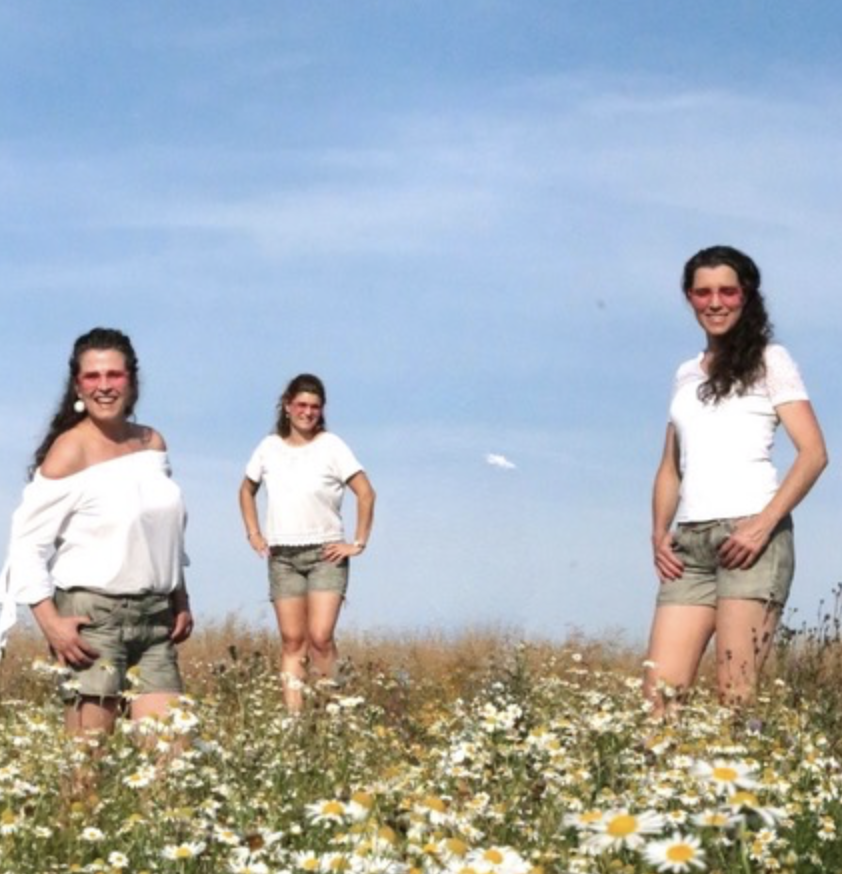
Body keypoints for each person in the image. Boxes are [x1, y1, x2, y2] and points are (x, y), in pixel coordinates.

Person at [644, 246, 828, 712]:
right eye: (702, 292)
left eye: (727, 291)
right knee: (658, 699)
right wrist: (659, 533)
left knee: (736, 696)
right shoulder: (686, 373)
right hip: (689, 548)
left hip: (752, 542)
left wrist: (762, 525)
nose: (715, 302)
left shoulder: (771, 360)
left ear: (746, 295)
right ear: (689, 298)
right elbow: (670, 466)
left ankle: (747, 762)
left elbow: (813, 454)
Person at [0, 328, 193, 733]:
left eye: (114, 375)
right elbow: (27, 544)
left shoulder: (152, 445)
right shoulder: (70, 449)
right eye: (92, 376)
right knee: (88, 762)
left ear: (132, 381)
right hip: (93, 621)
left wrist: (180, 596)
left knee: (172, 757)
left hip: (155, 621)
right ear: (78, 385)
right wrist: (51, 624)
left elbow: (163, 530)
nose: (104, 386)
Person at [239, 373, 375, 711]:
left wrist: (357, 543)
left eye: (315, 406)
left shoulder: (332, 446)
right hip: (282, 556)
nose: (307, 412)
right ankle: (294, 724)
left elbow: (366, 493)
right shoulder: (268, 447)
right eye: (301, 405)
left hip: (326, 554)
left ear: (322, 410)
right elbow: (246, 490)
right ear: (287, 406)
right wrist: (253, 533)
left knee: (320, 638)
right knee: (292, 641)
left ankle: (334, 714)